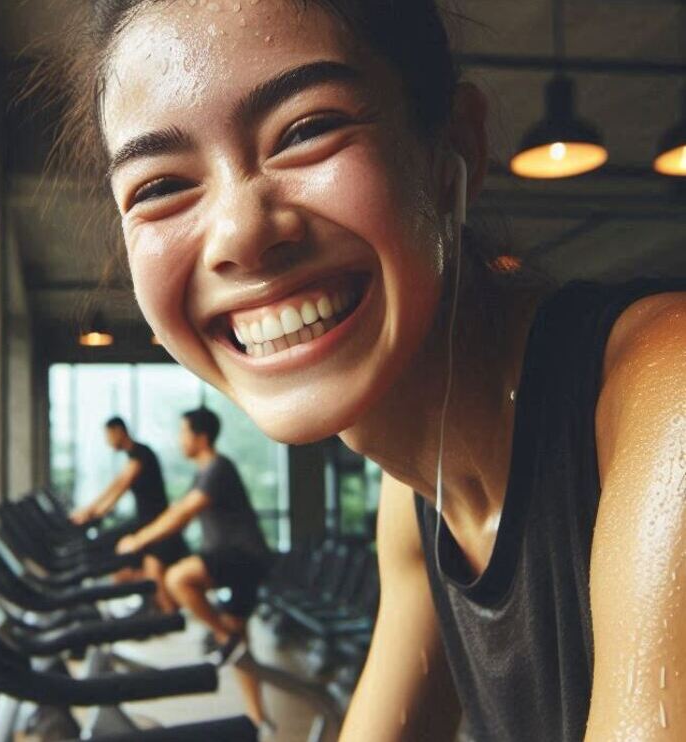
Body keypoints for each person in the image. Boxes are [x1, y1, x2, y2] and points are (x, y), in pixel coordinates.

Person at [43, 1, 686, 739]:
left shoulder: (667, 395)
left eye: (308, 129)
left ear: (456, 146)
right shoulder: (417, 491)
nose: (241, 234)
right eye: (158, 187)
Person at [116, 408, 273, 727]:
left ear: (201, 438)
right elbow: (177, 508)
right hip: (237, 559)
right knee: (240, 645)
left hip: (242, 557)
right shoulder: (204, 471)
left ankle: (220, 634)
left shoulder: (218, 468)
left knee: (178, 578)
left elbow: (183, 514)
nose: (179, 440)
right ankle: (259, 718)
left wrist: (138, 540)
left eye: (183, 433)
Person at [69, 417, 189, 611]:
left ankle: (146, 606)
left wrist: (91, 512)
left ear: (119, 431)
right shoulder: (134, 455)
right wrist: (91, 511)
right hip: (146, 519)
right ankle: (143, 604)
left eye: (108, 435)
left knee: (101, 546)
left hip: (152, 521)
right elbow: (115, 487)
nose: (108, 441)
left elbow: (119, 486)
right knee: (112, 555)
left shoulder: (140, 454)